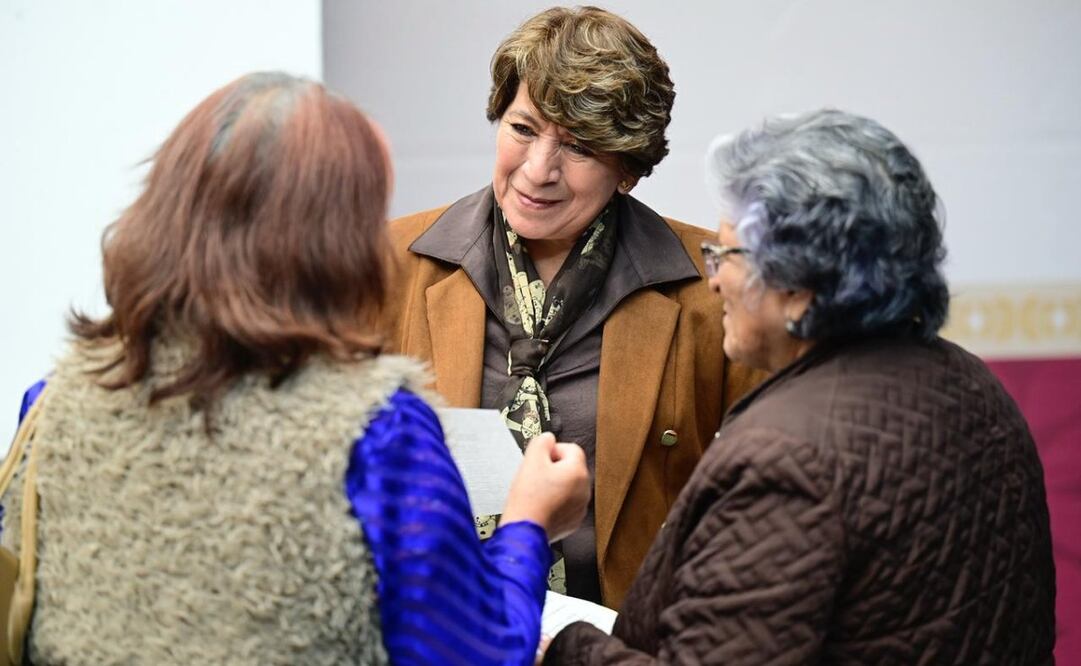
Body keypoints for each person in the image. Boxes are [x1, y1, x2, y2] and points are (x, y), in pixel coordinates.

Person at [2, 72, 590, 665]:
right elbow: (472, 654)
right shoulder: (376, 433)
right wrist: (528, 525)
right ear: (338, 243)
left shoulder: (51, 405)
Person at [543, 109, 1057, 664]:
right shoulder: (975, 383)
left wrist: (565, 651)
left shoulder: (785, 461)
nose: (713, 279)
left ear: (800, 287)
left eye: (727, 255)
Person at [383, 5, 764, 608]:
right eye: (523, 129)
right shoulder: (389, 264)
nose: (538, 171)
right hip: (434, 634)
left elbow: (764, 497)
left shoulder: (709, 286)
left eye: (579, 147)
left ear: (629, 170)